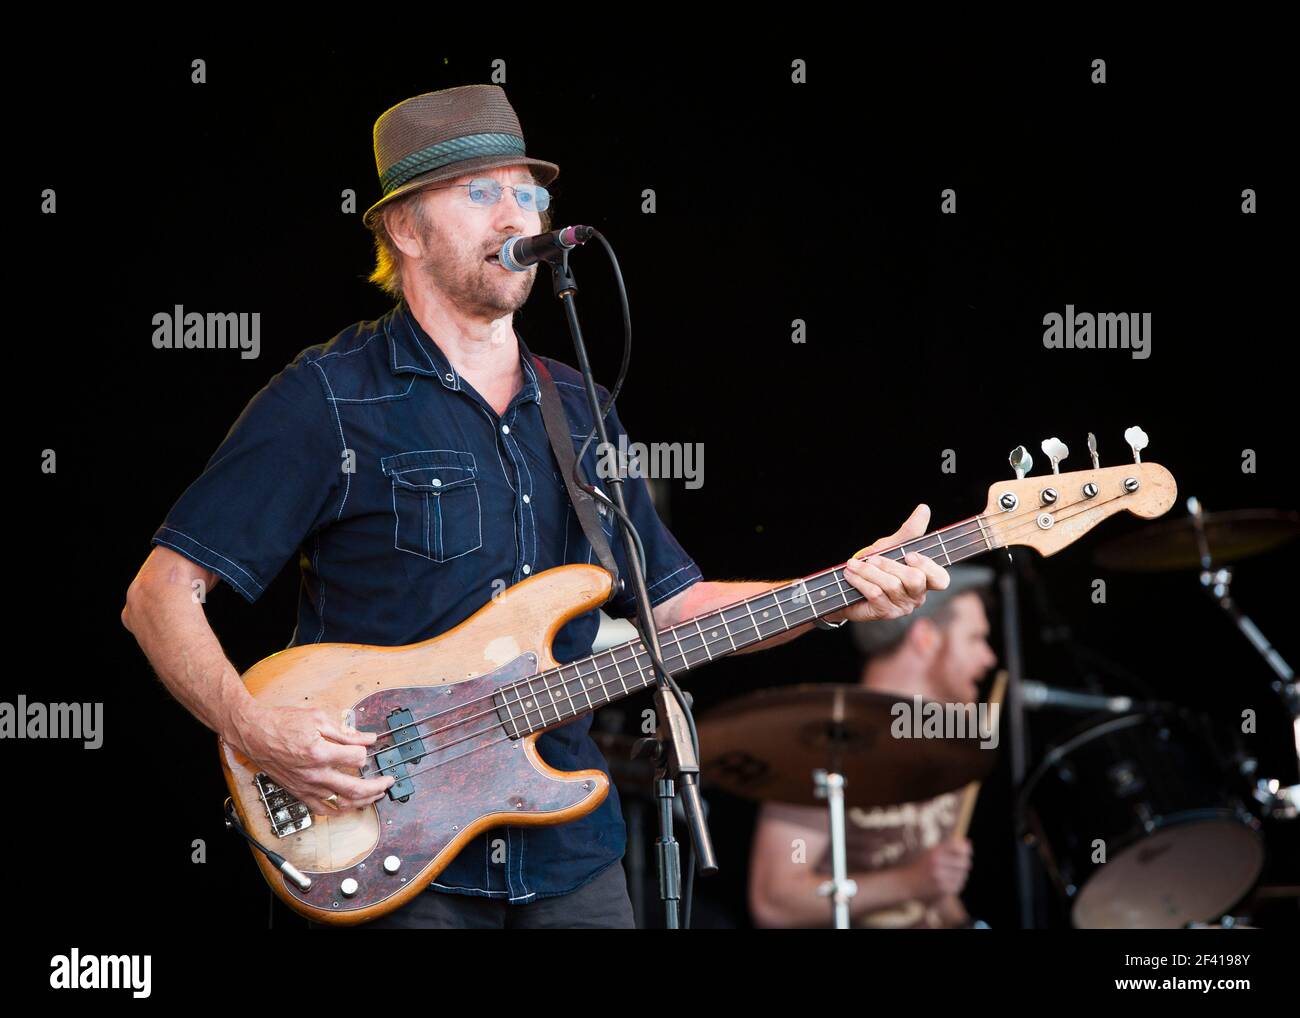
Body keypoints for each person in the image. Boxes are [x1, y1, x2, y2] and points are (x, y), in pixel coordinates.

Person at [121, 84, 950, 929]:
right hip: (386, 849)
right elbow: (159, 596)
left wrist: (840, 587)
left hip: (567, 855)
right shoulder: (329, 399)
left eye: (530, 192)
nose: (516, 215)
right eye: (481, 192)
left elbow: (674, 607)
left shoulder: (580, 405)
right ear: (404, 229)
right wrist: (255, 730)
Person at [748, 565, 997, 928]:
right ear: (925, 638)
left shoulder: (947, 748)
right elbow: (774, 900)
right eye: (976, 639)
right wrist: (911, 882)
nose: (989, 658)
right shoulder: (826, 745)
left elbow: (933, 896)